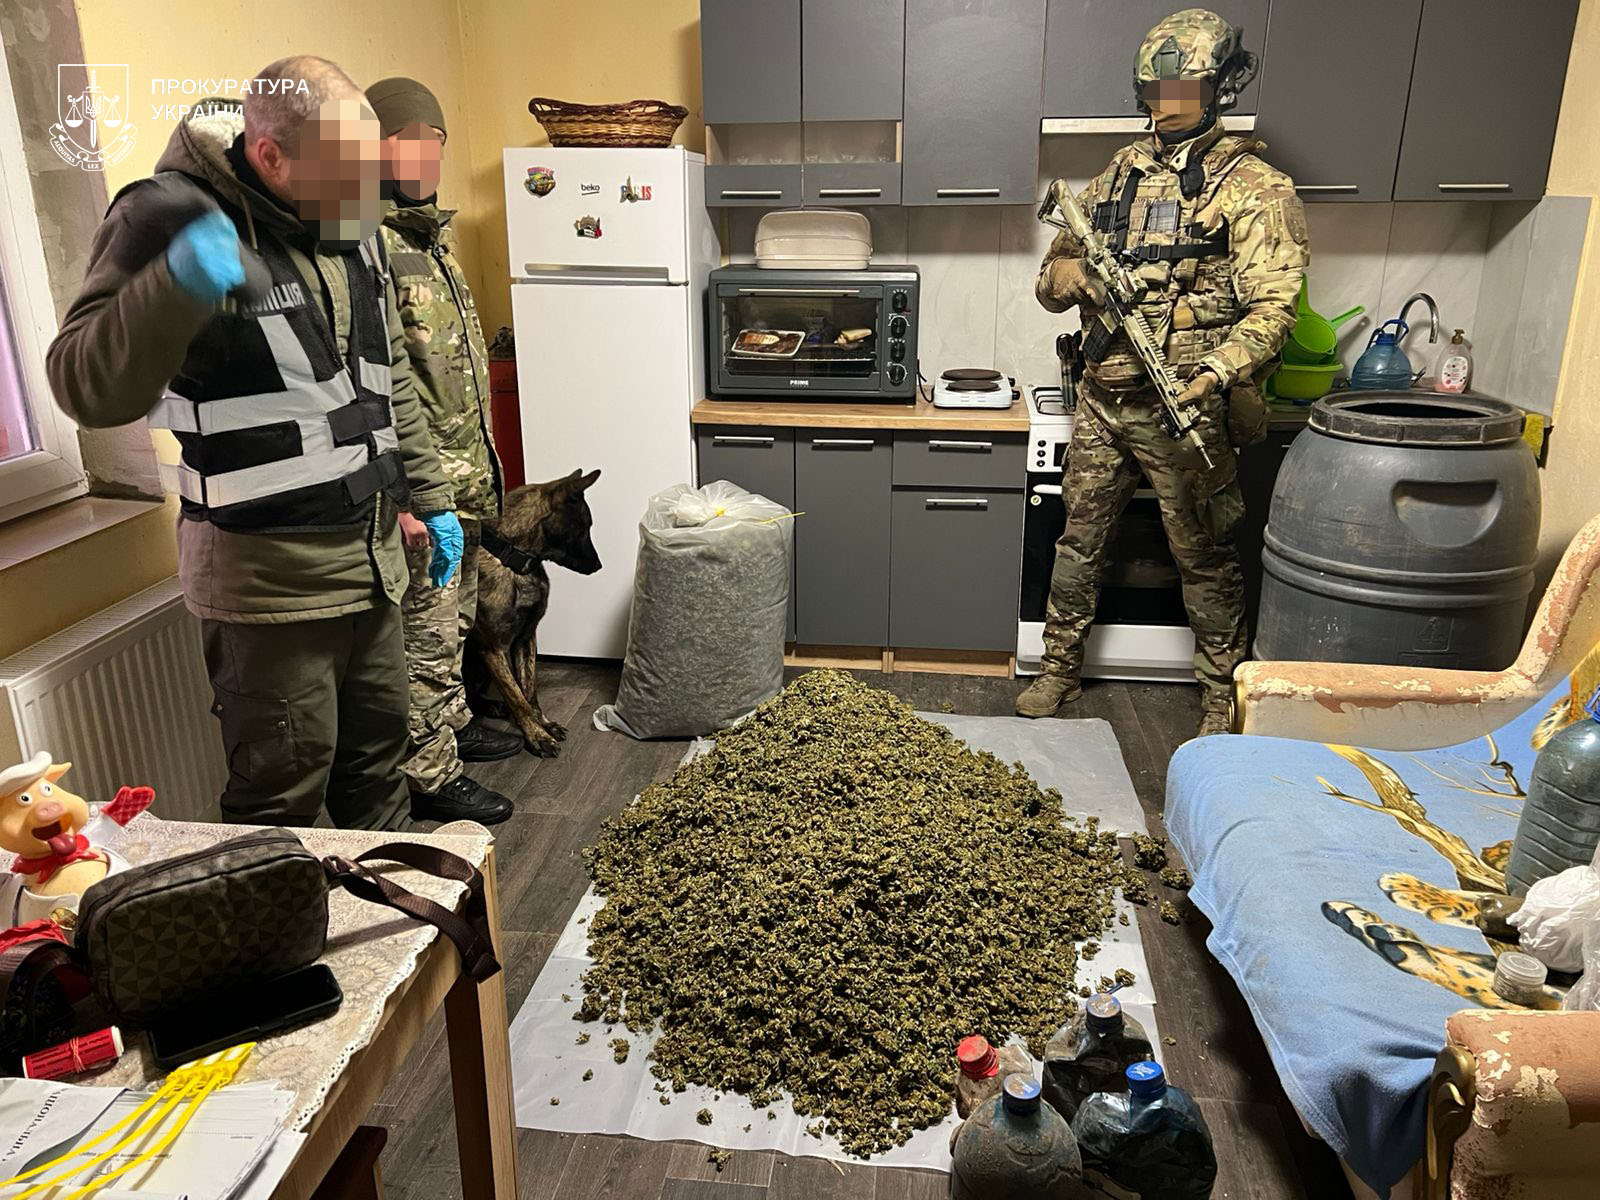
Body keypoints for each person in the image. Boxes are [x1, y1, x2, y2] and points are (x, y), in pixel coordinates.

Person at [46, 55, 506, 828]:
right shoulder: (164, 217)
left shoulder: (349, 217)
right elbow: (86, 390)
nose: (364, 192)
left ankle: (394, 910)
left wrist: (431, 495)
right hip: (270, 588)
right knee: (279, 798)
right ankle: (282, 916)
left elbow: (387, 372)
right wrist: (174, 283)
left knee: (379, 779)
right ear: (271, 156)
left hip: (372, 568)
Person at [1015, 8, 1308, 737]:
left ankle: (1220, 698)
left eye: (1182, 89)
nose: (1164, 104)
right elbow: (1048, 281)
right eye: (1153, 91)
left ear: (1221, 87)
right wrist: (1078, 277)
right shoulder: (1118, 172)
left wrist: (1212, 374)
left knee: (1202, 555)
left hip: (1184, 406)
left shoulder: (1255, 186)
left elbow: (1274, 310)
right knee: (1078, 542)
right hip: (1102, 395)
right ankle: (1058, 669)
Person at [365, 76, 519, 821]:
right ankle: (429, 776)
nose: (424, 156)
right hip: (423, 487)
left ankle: (452, 728)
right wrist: (403, 494)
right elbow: (378, 388)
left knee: (454, 617)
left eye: (435, 142)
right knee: (424, 630)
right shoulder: (369, 244)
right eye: (408, 141)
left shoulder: (433, 239)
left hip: (466, 475)